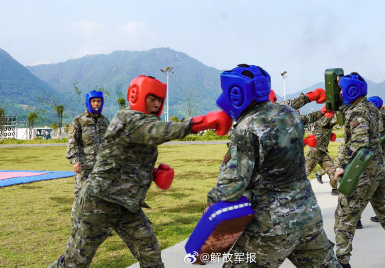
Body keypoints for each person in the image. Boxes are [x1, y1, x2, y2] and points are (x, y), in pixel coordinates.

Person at [49, 75, 233, 268]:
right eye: (152, 99)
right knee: (75, 262)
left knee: (151, 256)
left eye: (159, 100)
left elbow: (125, 156)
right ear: (138, 95)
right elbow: (157, 131)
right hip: (100, 203)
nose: (156, 104)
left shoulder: (139, 122)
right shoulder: (127, 118)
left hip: (129, 207)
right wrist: (202, 122)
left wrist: (151, 173)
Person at [207, 64, 340, 267]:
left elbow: (231, 186)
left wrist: (210, 211)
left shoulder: (247, 128)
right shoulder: (289, 114)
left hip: (270, 227)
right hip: (307, 217)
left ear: (236, 93)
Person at [333, 73, 385, 268]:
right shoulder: (370, 107)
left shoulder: (357, 112)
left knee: (345, 216)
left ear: (352, 91)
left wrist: (343, 166)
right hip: (379, 170)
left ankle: (341, 262)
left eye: (343, 89)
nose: (341, 92)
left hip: (363, 172)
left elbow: (359, 142)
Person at [66, 90, 110, 225]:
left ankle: (101, 225)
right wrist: (75, 161)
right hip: (85, 166)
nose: (96, 104)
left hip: (101, 166)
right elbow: (73, 142)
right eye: (93, 101)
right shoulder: (79, 121)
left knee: (102, 196)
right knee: (81, 195)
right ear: (88, 102)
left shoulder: (105, 121)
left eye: (99, 101)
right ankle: (77, 225)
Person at [305, 114, 339, 196]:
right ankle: (290, 189)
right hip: (314, 151)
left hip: (322, 151)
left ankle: (334, 189)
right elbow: (339, 120)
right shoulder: (323, 120)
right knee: (305, 172)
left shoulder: (325, 121)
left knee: (332, 170)